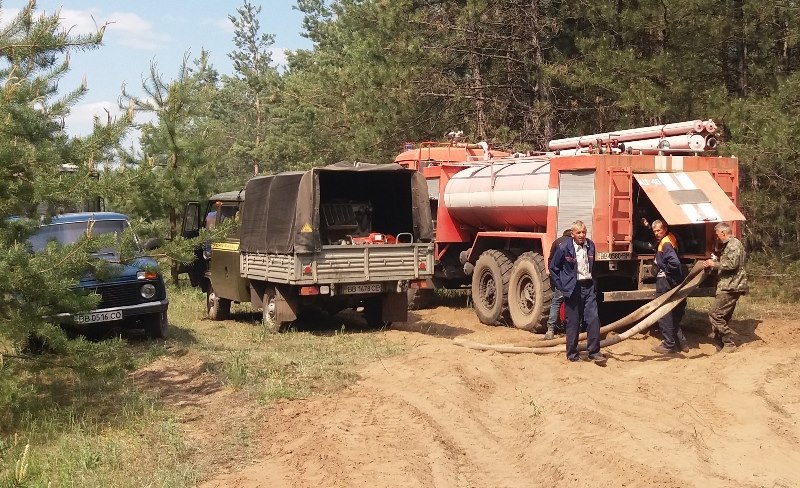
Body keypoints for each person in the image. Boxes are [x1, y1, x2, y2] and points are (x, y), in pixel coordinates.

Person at [549, 220, 606, 363]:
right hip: (572, 289)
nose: (582, 235)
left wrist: (594, 283)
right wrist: (561, 286)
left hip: (588, 287)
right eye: (578, 232)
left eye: (584, 232)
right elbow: (553, 268)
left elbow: (594, 266)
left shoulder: (591, 246)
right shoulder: (564, 248)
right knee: (573, 322)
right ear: (572, 233)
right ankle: (572, 354)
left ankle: (594, 352)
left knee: (593, 319)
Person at [702, 222, 748, 353]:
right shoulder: (731, 245)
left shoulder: (733, 245)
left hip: (730, 286)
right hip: (730, 285)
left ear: (723, 233)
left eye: (717, 235)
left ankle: (728, 343)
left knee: (715, 314)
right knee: (723, 316)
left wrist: (714, 263)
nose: (717, 238)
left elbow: (732, 264)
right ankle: (720, 344)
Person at [650, 220, 689, 354]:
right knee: (671, 311)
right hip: (670, 280)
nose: (656, 233)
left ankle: (668, 344)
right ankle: (682, 342)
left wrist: (665, 271)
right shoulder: (670, 237)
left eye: (659, 230)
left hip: (664, 281)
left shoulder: (665, 243)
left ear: (665, 229)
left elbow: (674, 262)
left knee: (663, 312)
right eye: (654, 231)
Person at [545, 229, 573, 340]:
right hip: (570, 279)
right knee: (571, 304)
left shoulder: (557, 242)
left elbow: (551, 260)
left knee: (556, 302)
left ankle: (550, 330)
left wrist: (553, 276)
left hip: (560, 279)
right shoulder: (573, 243)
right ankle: (568, 330)